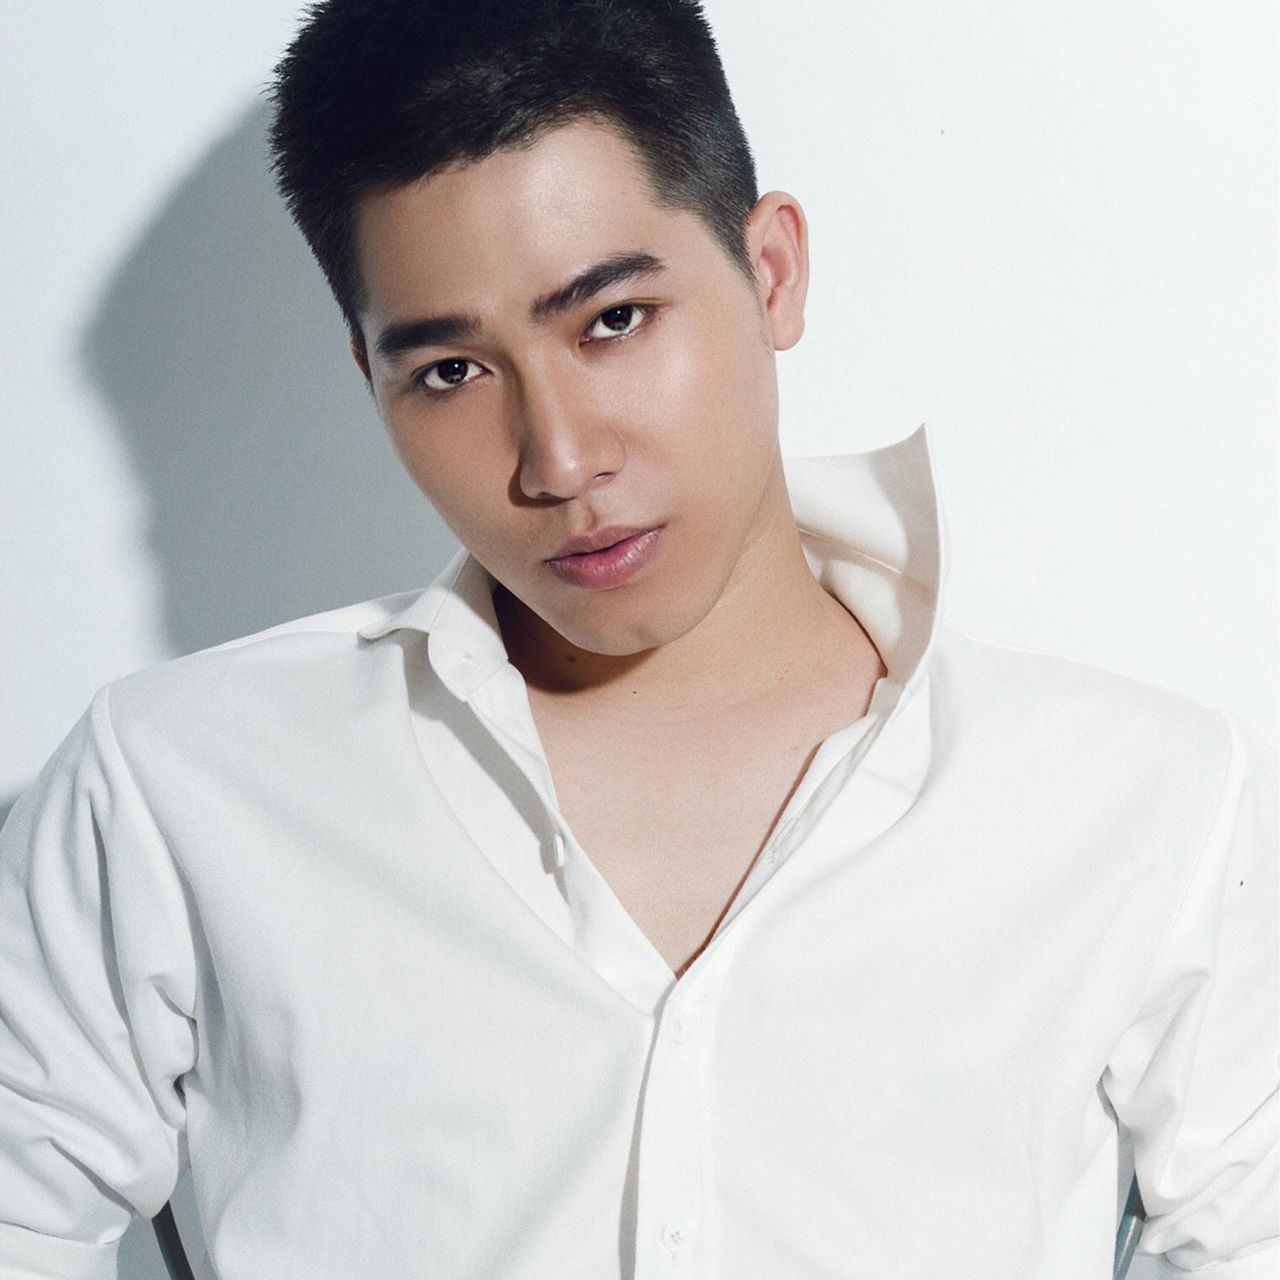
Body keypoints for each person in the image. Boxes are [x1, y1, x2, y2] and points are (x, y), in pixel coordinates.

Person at [0, 1, 1274, 1277]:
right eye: (449, 371)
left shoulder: (1149, 805)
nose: (557, 459)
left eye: (611, 319)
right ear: (369, 379)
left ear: (770, 271)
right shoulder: (174, 791)